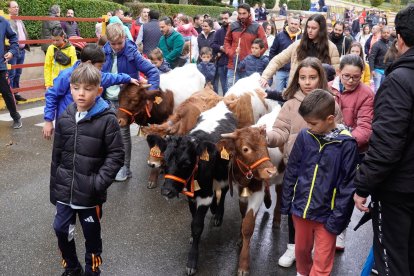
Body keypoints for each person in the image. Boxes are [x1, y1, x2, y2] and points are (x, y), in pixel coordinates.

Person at [354, 5, 414, 275]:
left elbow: (386, 145)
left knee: (392, 261)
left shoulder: (400, 80)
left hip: (399, 192)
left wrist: (363, 185)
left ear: (399, 39)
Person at [266, 57, 343, 268]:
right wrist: (266, 137)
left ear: (320, 78)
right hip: (296, 166)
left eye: (312, 77)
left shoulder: (331, 104)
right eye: (302, 78)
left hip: (323, 170)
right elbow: (280, 131)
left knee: (320, 208)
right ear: (296, 79)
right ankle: (293, 247)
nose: (307, 82)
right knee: (294, 209)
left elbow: (339, 131)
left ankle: (318, 246)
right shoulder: (290, 104)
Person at [50, 63, 124, 276]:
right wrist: (55, 189)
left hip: (89, 194)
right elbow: (57, 156)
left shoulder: (108, 120)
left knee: (91, 235)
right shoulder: (65, 117)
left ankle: (93, 269)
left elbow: (116, 155)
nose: (81, 93)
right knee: (61, 230)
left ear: (98, 90)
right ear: (70, 88)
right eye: (76, 87)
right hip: (65, 189)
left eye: (88, 89)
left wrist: (97, 184)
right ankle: (72, 267)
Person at [282, 89, 358, 276]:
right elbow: (292, 170)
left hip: (327, 216)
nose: (308, 126)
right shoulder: (305, 136)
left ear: (330, 118)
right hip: (300, 211)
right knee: (301, 253)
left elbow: (347, 186)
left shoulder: (347, 145)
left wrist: (337, 219)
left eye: (312, 123)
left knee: (322, 263)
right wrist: (286, 204)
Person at [42, 43, 139, 140]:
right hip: (66, 122)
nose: (100, 70)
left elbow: (109, 77)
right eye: (100, 66)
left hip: (85, 122)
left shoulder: (95, 75)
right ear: (89, 63)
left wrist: (128, 78)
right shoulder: (67, 75)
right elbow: (51, 95)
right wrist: (48, 120)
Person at [102, 23, 159, 181]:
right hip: (105, 98)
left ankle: (125, 168)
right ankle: (110, 164)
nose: (117, 47)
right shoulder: (103, 51)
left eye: (120, 43)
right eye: (113, 44)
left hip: (124, 100)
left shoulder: (131, 52)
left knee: (123, 134)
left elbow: (152, 71)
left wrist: (150, 95)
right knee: (106, 134)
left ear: (124, 38)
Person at [260, 14, 340, 88]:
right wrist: (265, 77)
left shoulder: (331, 48)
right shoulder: (298, 45)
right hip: (296, 89)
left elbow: (336, 75)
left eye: (314, 28)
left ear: (321, 30)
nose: (310, 30)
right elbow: (278, 60)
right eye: (308, 27)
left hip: (319, 94)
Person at [224, 3, 267, 89]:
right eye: (240, 13)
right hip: (233, 65)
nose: (242, 16)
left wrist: (254, 57)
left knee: (247, 94)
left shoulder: (257, 27)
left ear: (249, 14)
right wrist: (231, 53)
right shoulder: (232, 26)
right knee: (231, 92)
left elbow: (264, 45)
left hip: (249, 68)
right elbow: (227, 41)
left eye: (244, 13)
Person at [269, 16, 302, 92]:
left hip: (294, 71)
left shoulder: (302, 38)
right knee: (277, 94)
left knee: (290, 94)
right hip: (281, 70)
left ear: (299, 25)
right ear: (288, 23)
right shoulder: (280, 36)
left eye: (296, 24)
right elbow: (273, 52)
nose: (293, 25)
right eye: (292, 23)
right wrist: (274, 66)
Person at [0, 15, 22, 129]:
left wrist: (12, 52)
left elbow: (14, 39)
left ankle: (16, 117)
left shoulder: (3, 21)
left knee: (7, 93)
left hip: (0, 66)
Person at [7, 0, 29, 102]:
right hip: (13, 51)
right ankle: (10, 95)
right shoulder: (7, 20)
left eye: (17, 7)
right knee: (12, 73)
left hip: (22, 51)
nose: (16, 8)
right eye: (14, 7)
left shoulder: (19, 20)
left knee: (18, 73)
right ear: (9, 9)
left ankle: (16, 93)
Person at [211, 10, 230, 94]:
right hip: (221, 62)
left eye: (226, 18)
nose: (224, 20)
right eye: (222, 18)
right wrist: (220, 48)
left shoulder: (235, 31)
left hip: (231, 63)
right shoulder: (219, 31)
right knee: (223, 86)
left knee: (230, 87)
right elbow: (213, 44)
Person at [368, 26, 391, 92]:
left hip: (387, 70)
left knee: (385, 89)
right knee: (377, 89)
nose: (386, 34)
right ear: (381, 33)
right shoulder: (376, 45)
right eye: (384, 33)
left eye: (387, 33)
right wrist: (372, 69)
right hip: (377, 70)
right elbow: (371, 57)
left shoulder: (391, 44)